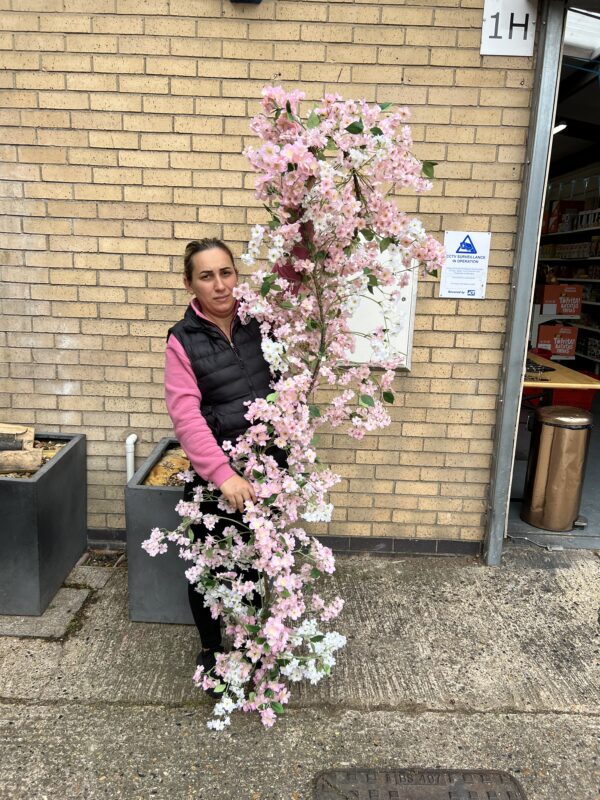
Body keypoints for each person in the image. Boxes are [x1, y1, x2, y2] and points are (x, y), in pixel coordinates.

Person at [164, 238, 273, 681]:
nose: (220, 284)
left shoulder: (263, 323)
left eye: (226, 272)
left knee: (255, 560)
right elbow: (185, 416)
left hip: (267, 466)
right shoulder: (182, 340)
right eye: (206, 276)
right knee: (209, 565)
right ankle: (211, 648)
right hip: (217, 470)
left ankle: (250, 642)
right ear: (190, 283)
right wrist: (222, 474)